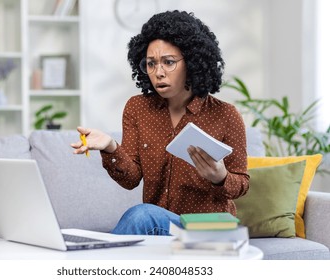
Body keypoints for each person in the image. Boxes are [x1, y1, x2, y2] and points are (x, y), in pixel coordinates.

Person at [71, 10, 249, 235]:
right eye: (151, 64)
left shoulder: (226, 115)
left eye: (169, 62)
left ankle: (100, 263)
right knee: (146, 216)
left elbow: (242, 185)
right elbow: (131, 179)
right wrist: (110, 147)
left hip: (209, 229)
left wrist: (219, 177)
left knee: (143, 214)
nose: (159, 73)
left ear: (192, 61)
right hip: (157, 230)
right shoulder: (138, 108)